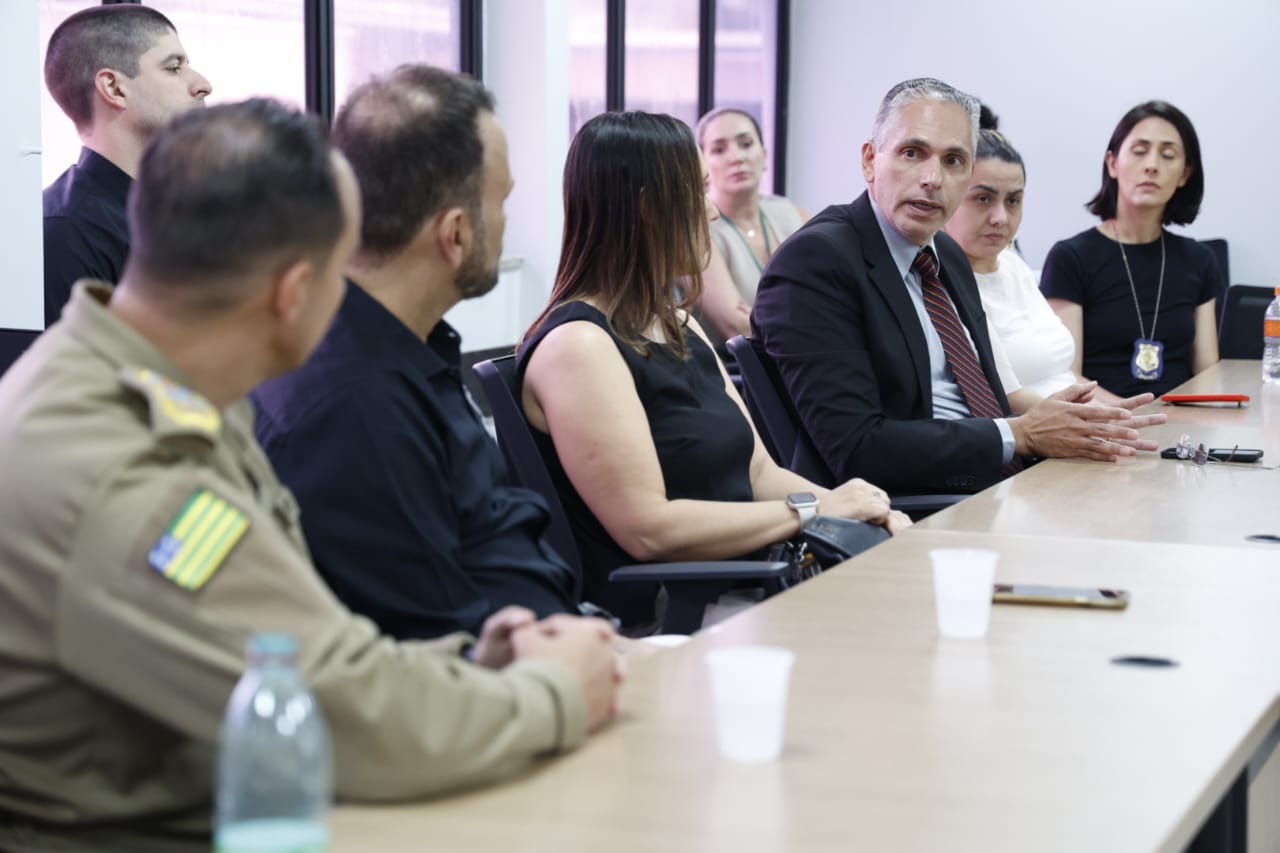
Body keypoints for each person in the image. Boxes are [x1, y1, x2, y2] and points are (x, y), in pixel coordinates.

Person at [0, 98, 621, 852]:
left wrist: (468, 669)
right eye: (343, 273)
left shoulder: (143, 386)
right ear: (295, 294)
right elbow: (325, 702)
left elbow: (276, 644)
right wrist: (553, 694)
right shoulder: (132, 475)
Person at [517, 111, 909, 629]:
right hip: (679, 616)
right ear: (646, 209)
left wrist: (854, 506)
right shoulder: (578, 347)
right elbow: (649, 530)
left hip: (751, 587)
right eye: (698, 190)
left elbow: (759, 473)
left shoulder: (677, 322)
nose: (712, 211)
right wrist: (816, 512)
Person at [252, 65, 580, 641]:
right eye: (502, 201)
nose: (506, 222)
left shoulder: (410, 349)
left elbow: (493, 535)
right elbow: (441, 635)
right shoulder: (353, 407)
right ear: (454, 234)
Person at [751, 78, 1166, 496]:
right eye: (912, 153)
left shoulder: (944, 253)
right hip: (910, 508)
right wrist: (1019, 435)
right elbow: (857, 447)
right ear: (869, 161)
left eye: (954, 161)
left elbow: (989, 394)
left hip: (1002, 480)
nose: (932, 178)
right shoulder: (816, 262)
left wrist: (1082, 426)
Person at [42, 4, 212, 327]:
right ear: (114, 88)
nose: (203, 84)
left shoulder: (180, 218)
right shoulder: (65, 236)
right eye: (174, 67)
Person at [1041, 101, 1220, 401]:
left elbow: (1207, 372)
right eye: (1139, 151)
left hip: (1180, 426)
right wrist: (1128, 415)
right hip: (1101, 426)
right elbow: (1065, 375)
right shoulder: (1070, 257)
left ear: (1185, 174)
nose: (1152, 165)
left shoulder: (1199, 260)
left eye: (1168, 155)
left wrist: (1183, 422)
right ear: (1112, 163)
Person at [943, 129, 1078, 398]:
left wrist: (1116, 413)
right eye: (983, 199)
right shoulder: (943, 283)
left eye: (1013, 201)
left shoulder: (1013, 264)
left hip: (1076, 418)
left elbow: (1064, 375)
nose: (1001, 218)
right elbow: (1009, 399)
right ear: (950, 195)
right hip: (1032, 431)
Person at [694, 107, 808, 345]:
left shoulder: (793, 214)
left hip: (801, 355)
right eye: (719, 149)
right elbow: (737, 326)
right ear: (702, 163)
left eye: (746, 144)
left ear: (765, 155)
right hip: (737, 370)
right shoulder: (695, 229)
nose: (736, 157)